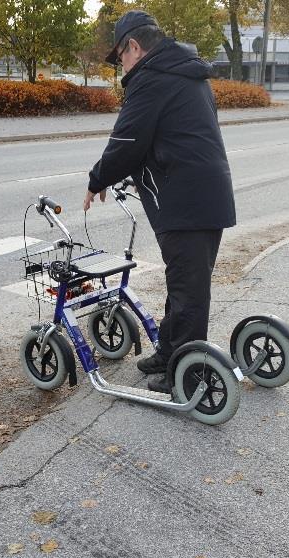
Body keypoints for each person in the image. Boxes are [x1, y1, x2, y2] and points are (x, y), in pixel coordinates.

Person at [83, 10, 236, 393]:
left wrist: (98, 178)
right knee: (182, 281)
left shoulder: (151, 78)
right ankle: (171, 352)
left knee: (188, 292)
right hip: (199, 194)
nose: (122, 67)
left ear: (133, 46)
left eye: (120, 57)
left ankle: (186, 375)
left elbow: (128, 139)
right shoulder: (183, 71)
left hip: (186, 200)